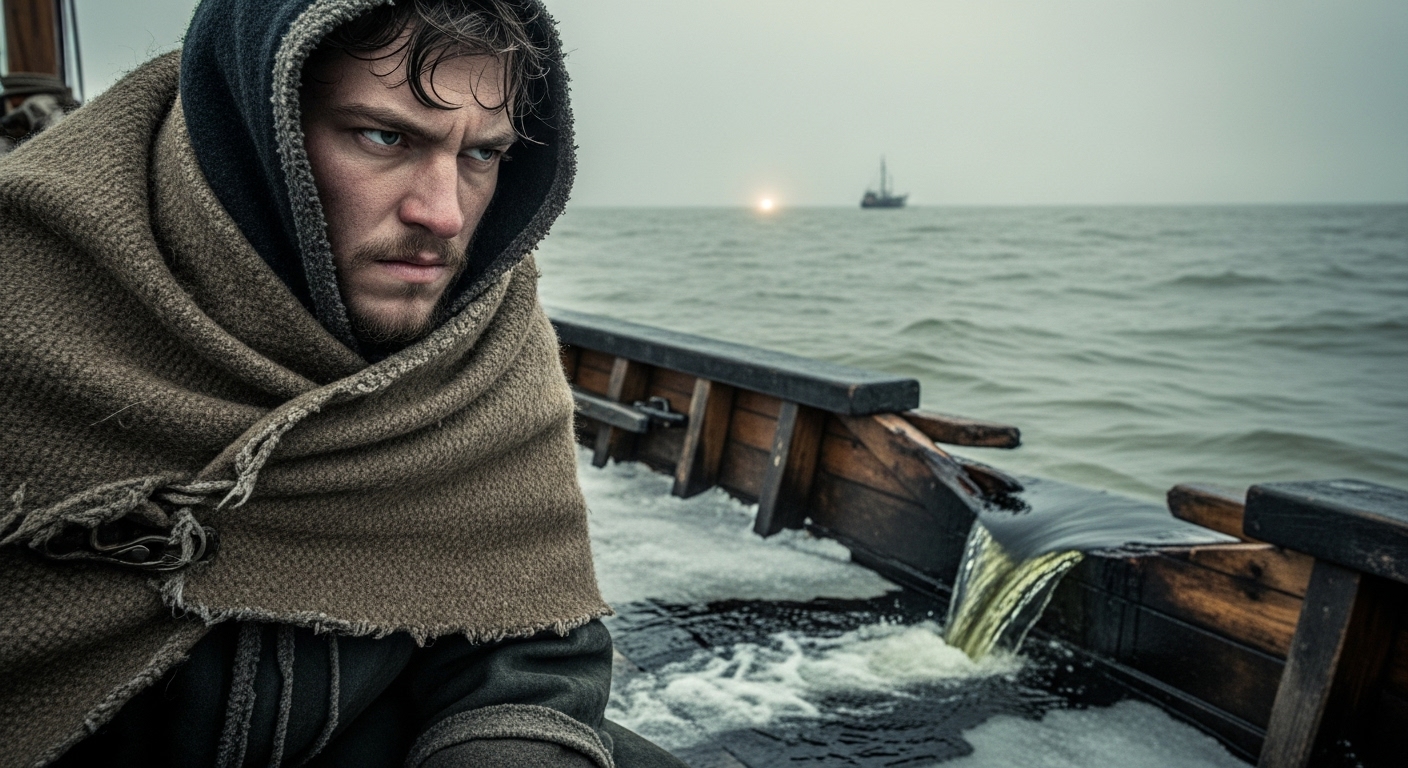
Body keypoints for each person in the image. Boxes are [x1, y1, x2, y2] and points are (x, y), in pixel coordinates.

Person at [0, 1, 683, 766]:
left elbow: (524, 657)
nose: (445, 216)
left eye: (481, 155)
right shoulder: (20, 294)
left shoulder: (488, 343)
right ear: (254, 128)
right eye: (385, 136)